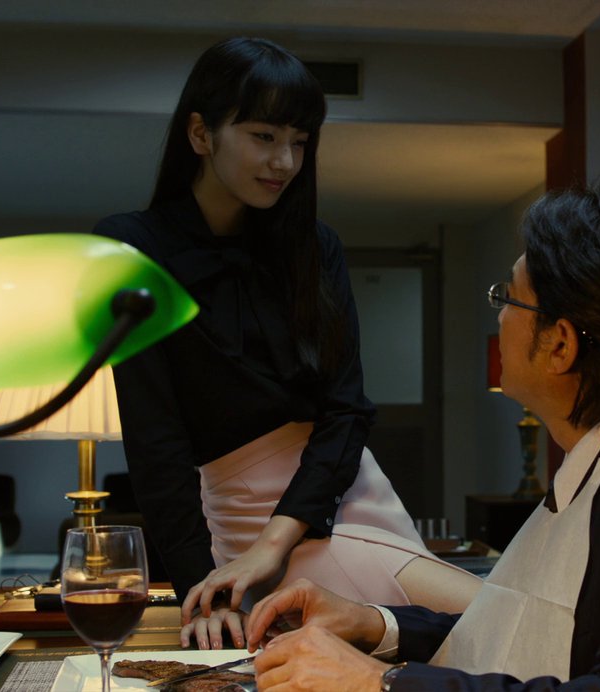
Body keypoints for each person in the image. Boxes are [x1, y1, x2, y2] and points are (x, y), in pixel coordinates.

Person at [242, 174, 600, 690]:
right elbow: (514, 630)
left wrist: (378, 683)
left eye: (507, 297)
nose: (498, 315)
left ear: (560, 345)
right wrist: (372, 624)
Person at [93, 37, 481, 649]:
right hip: (247, 518)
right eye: (264, 136)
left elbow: (347, 409)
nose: (285, 161)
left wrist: (276, 542)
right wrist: (199, 588)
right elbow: (155, 444)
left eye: (300, 142)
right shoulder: (131, 250)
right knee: (502, 626)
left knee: (468, 640)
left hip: (350, 495)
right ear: (200, 133)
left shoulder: (315, 246)